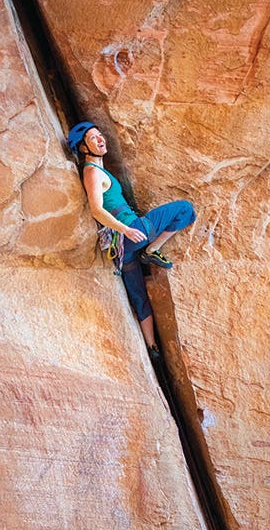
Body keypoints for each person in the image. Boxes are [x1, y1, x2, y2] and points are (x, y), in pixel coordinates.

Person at [67, 121, 196, 357]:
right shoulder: (92, 172)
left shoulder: (98, 170)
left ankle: (152, 347)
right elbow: (96, 209)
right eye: (93, 138)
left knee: (139, 295)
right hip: (131, 232)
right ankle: (152, 250)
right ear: (83, 148)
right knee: (186, 209)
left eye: (100, 135)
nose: (100, 139)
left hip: (123, 249)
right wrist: (126, 230)